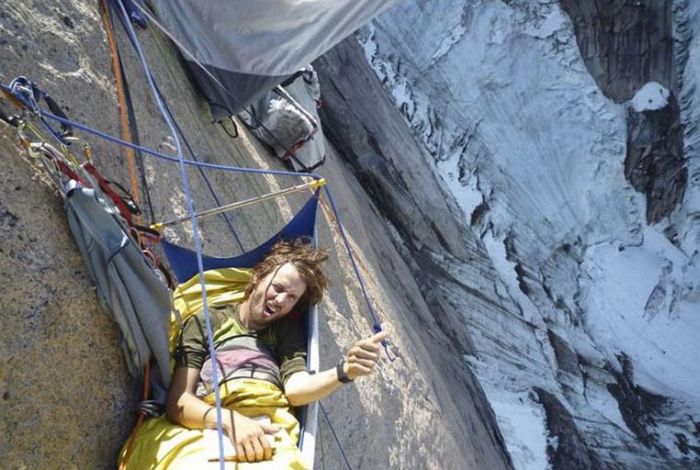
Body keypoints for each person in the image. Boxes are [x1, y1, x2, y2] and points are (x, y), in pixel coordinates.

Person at [120, 239, 388, 469]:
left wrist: (344, 372)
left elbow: (295, 389)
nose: (282, 300)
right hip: (210, 423)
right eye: (278, 288)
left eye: (292, 298)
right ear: (258, 277)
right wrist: (232, 422)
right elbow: (178, 403)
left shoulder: (285, 332)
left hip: (268, 431)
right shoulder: (208, 320)